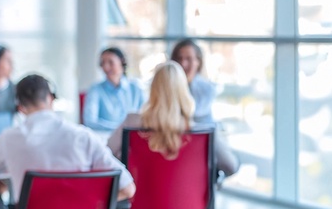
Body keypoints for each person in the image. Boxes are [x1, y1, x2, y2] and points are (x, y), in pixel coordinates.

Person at [0, 74, 136, 209]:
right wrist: (94, 206)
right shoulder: (84, 137)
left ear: (20, 107)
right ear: (50, 99)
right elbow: (128, 188)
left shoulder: (8, 139)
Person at [108, 61, 240, 178]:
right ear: (183, 91)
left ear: (153, 89)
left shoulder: (131, 122)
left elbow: (106, 155)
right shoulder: (203, 131)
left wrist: (128, 160)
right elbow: (230, 166)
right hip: (191, 204)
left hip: (138, 203)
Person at [83, 47, 146, 132]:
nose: (106, 67)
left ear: (122, 61)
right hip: (105, 139)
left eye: (110, 62)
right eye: (102, 63)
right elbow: (90, 122)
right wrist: (122, 129)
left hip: (132, 139)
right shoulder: (95, 90)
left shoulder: (136, 88)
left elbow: (145, 117)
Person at [171, 39, 217, 129]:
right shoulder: (165, 88)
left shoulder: (206, 89)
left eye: (189, 59)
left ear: (198, 62)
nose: (183, 64)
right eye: (179, 59)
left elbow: (193, 115)